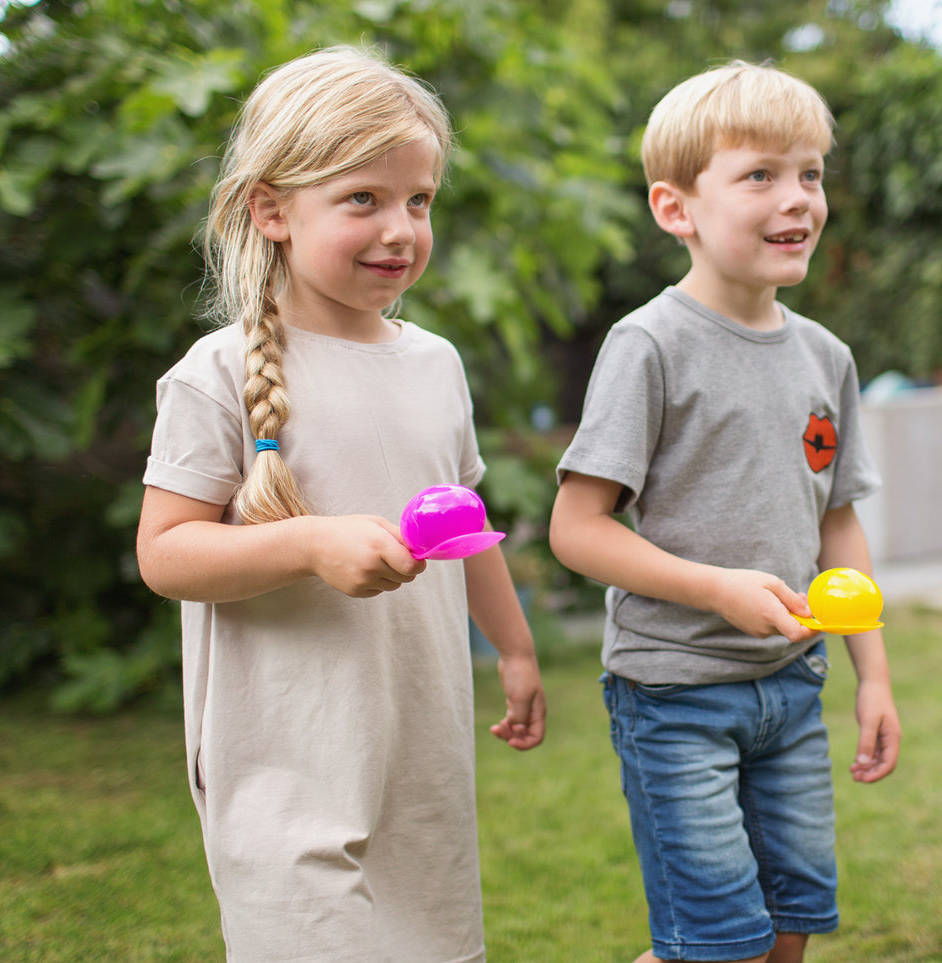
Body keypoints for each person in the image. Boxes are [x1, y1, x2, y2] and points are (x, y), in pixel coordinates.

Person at [135, 46, 546, 962]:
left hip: (417, 751)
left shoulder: (435, 363)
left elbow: (462, 521)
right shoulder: (220, 373)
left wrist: (514, 647)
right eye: (362, 198)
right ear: (271, 209)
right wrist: (309, 542)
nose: (399, 228)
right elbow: (165, 553)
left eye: (418, 200)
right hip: (285, 757)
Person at [549, 61, 901, 963]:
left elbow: (837, 526)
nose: (798, 199)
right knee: (717, 946)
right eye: (760, 175)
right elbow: (576, 529)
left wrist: (873, 675)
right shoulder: (649, 346)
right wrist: (714, 588)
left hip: (792, 687)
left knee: (786, 937)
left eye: (810, 173)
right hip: (675, 694)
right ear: (678, 209)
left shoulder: (827, 357)